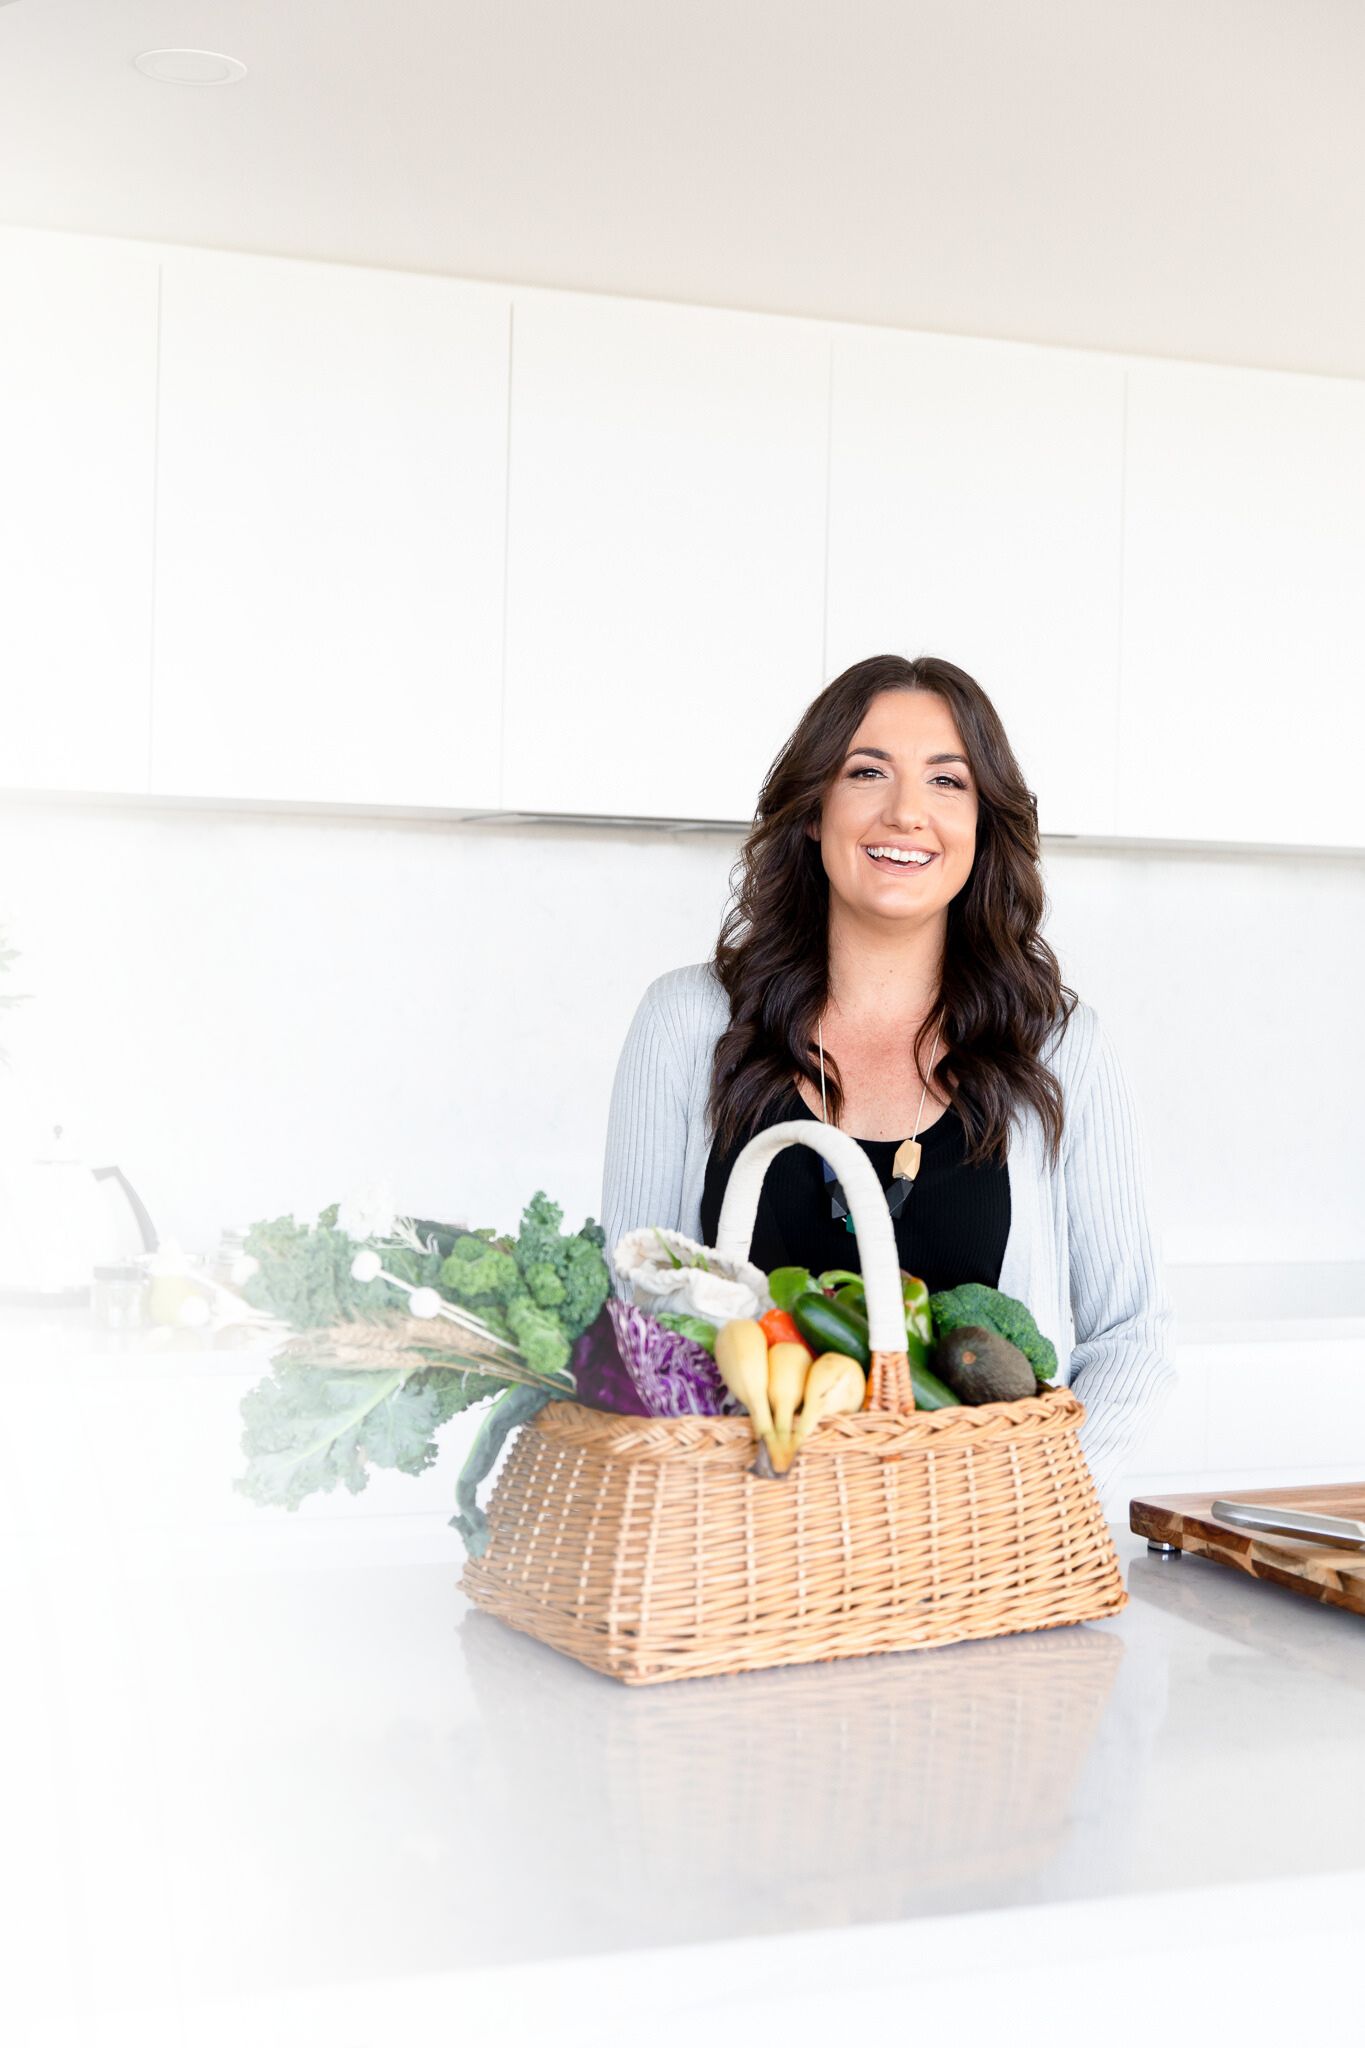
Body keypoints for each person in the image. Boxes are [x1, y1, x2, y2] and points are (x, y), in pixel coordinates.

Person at [601, 653, 1174, 1497]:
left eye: (948, 781)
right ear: (812, 810)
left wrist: (1029, 1507)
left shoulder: (1058, 1047)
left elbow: (1133, 1339)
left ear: (982, 824)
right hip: (740, 1544)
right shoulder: (689, 1023)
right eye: (866, 771)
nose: (906, 812)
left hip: (982, 1554)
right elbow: (633, 1311)